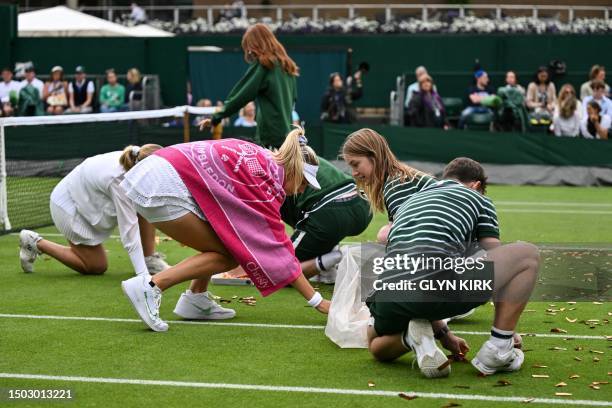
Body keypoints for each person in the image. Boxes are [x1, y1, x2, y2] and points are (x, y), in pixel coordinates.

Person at [342, 137, 539, 378]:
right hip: (435, 287)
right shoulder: (479, 199)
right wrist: (507, 322)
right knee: (527, 255)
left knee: (375, 344)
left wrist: (445, 335)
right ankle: (499, 348)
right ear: (476, 185)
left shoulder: (410, 201)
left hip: (389, 291)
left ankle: (410, 337)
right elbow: (496, 255)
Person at [119, 127, 330, 332]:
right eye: (303, 183)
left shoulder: (262, 160)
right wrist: (318, 301)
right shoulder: (265, 184)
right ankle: (151, 286)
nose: (301, 190)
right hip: (162, 184)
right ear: (293, 169)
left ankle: (195, 299)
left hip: (158, 173)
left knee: (226, 242)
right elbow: (278, 249)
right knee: (228, 255)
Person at [18, 145, 170, 277]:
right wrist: (142, 275)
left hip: (88, 198)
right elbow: (129, 231)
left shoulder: (139, 157)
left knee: (144, 202)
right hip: (68, 208)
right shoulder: (119, 181)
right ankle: (35, 242)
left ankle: (149, 260)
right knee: (95, 267)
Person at [206, 23, 298, 149]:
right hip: (288, 139)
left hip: (270, 140)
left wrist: (216, 117)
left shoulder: (264, 65)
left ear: (256, 45)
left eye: (249, 47)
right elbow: (293, 101)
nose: (249, 52)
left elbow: (241, 95)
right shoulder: (288, 66)